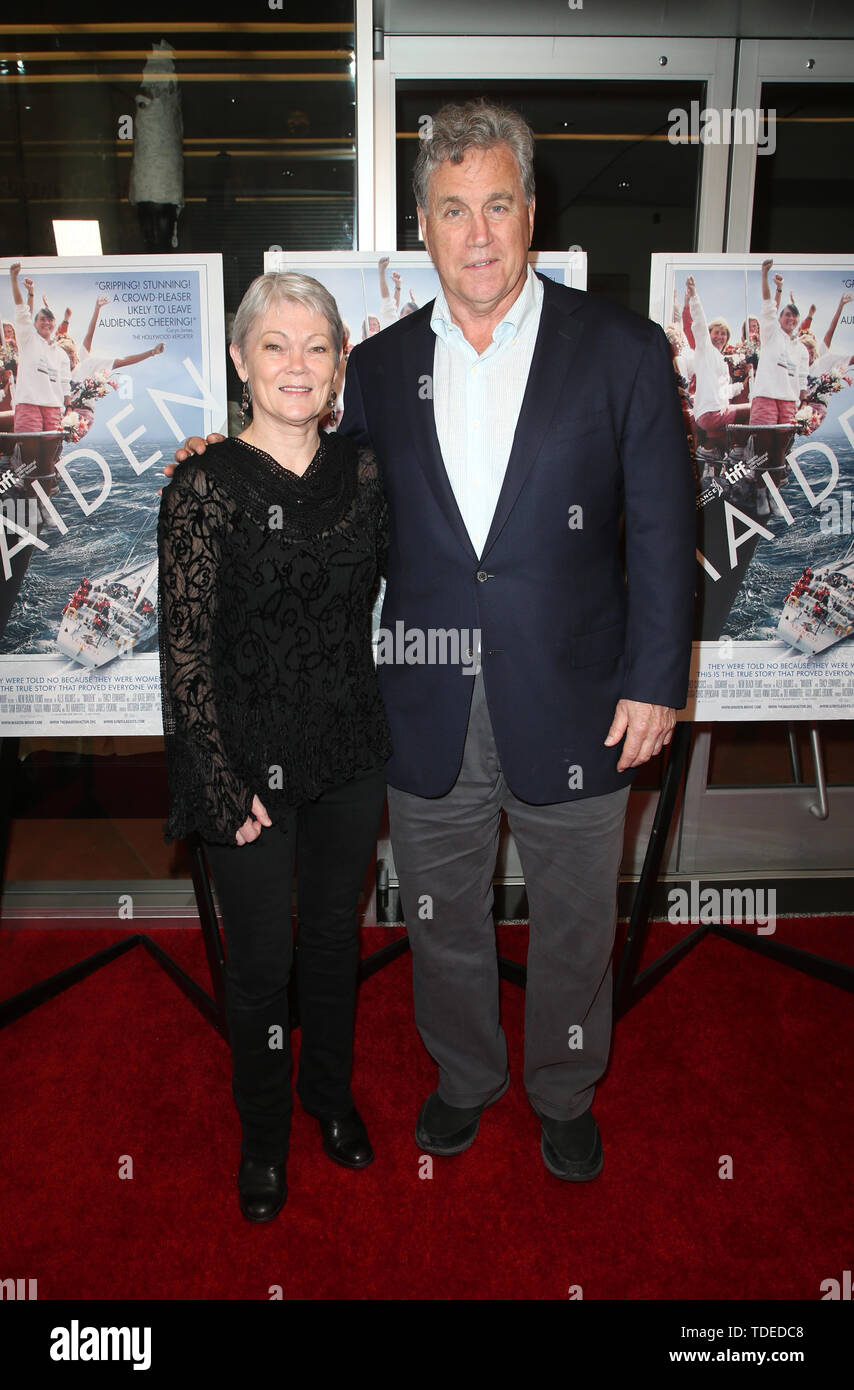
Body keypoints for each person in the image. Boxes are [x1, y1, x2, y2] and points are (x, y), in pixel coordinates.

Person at [173, 100, 695, 1183]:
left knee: (568, 926)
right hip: (418, 707)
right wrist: (219, 453)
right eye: (452, 210)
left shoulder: (622, 351)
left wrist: (655, 679)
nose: (477, 234)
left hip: (579, 698)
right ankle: (464, 1077)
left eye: (497, 204)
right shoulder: (376, 368)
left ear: (530, 211)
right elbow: (312, 478)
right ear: (421, 223)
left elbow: (661, 526)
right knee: (443, 917)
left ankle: (560, 1086)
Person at [158, 271, 391, 1222]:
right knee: (259, 967)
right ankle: (262, 1140)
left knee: (334, 942)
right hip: (246, 769)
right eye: (275, 345)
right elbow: (185, 653)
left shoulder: (368, 474)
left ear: (339, 366)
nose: (297, 365)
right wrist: (217, 779)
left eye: (317, 347)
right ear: (240, 359)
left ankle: (326, 1099)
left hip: (347, 752)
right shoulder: (201, 485)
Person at [7, 263, 70, 433]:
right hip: (28, 404)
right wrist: (14, 280)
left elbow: (65, 383)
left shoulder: (61, 354)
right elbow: (22, 311)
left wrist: (68, 408)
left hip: (54, 408)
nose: (46, 323)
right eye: (41, 319)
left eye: (49, 320)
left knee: (50, 458)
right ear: (34, 324)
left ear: (54, 324)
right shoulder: (27, 340)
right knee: (30, 454)